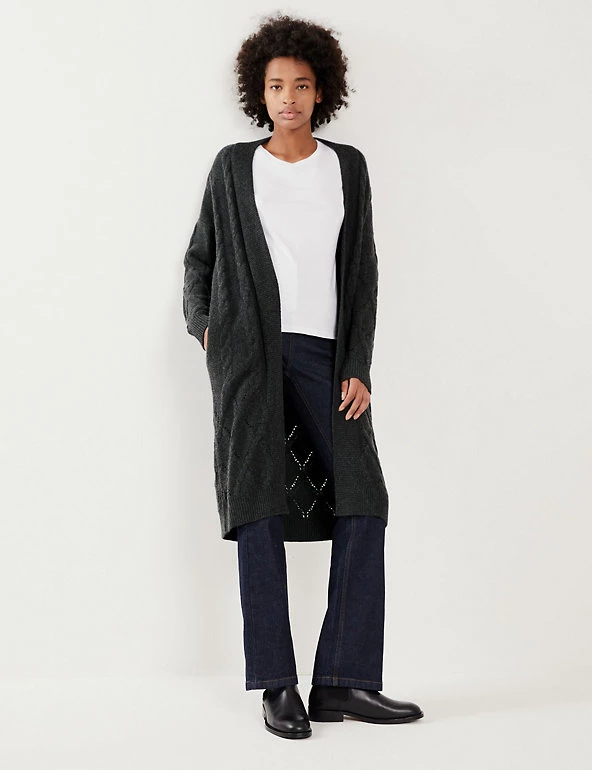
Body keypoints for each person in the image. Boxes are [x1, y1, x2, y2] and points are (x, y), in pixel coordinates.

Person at [182, 13, 424, 739]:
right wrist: (207, 331)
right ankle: (277, 684)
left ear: (323, 92)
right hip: (248, 359)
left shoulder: (347, 167)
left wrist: (357, 364)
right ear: (259, 94)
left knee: (364, 501)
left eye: (302, 85)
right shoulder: (233, 167)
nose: (288, 97)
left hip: (325, 356)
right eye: (275, 85)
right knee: (259, 510)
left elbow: (363, 272)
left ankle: (343, 682)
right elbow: (199, 261)